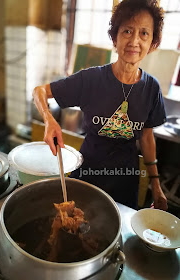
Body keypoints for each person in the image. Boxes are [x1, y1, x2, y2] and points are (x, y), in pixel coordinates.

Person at [33, 0, 168, 210]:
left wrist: (156, 185)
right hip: (88, 173)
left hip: (125, 180)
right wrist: (49, 120)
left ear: (152, 44)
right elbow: (39, 91)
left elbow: (148, 138)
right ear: (115, 39)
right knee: (77, 228)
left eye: (144, 33)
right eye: (127, 31)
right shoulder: (91, 79)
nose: (134, 40)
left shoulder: (151, 88)